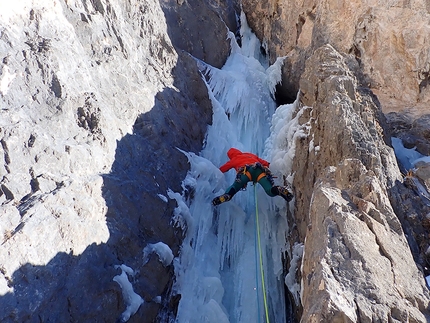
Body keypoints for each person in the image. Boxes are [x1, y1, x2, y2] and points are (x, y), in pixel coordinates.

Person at [212, 148, 294, 205]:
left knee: (235, 187)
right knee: (269, 191)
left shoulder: (234, 159)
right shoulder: (250, 155)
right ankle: (278, 189)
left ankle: (227, 195)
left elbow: (223, 169)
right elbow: (265, 163)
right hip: (259, 170)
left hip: (245, 172)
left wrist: (214, 172)